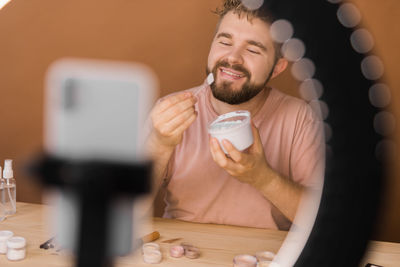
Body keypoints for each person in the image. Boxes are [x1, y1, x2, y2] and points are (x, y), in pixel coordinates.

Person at [146, 0, 324, 230]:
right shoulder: (168, 113)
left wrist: (262, 178)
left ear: (278, 67)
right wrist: (159, 143)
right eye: (224, 42)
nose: (233, 58)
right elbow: (125, 208)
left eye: (252, 49)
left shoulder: (300, 118)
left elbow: (323, 219)